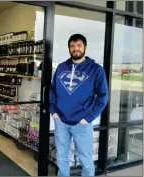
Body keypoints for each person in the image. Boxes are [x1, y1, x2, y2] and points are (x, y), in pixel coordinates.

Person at [49, 34, 109, 176]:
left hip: (81, 123)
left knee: (86, 160)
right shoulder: (61, 67)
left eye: (79, 45)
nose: (75, 49)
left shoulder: (96, 70)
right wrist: (53, 111)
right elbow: (52, 91)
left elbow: (103, 96)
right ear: (69, 48)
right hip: (61, 121)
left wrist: (88, 118)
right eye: (72, 46)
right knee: (62, 158)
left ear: (85, 47)